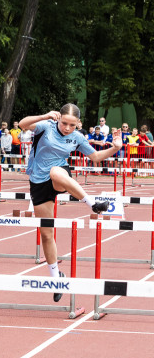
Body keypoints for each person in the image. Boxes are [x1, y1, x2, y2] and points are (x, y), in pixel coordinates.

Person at [20, 105, 121, 302]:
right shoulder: (46, 126)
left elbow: (95, 157)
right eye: (64, 123)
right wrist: (45, 114)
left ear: (78, 124)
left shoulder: (77, 137)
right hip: (38, 182)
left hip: (59, 177)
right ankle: (56, 278)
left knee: (56, 171)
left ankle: (91, 203)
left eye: (72, 125)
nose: (67, 128)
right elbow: (23, 125)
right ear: (58, 119)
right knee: (46, 234)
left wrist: (115, 148)